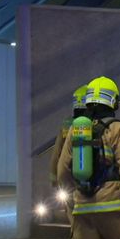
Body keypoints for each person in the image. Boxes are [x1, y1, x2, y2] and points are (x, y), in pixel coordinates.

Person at [58, 76, 120, 239]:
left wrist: (75, 200)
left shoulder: (75, 131)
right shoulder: (118, 129)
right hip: (115, 209)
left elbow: (62, 171)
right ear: (112, 100)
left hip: (83, 209)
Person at [50, 85, 88, 225]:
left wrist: (55, 178)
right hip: (89, 182)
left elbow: (57, 154)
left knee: (75, 222)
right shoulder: (94, 125)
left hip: (68, 180)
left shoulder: (67, 125)